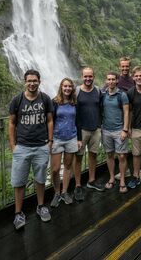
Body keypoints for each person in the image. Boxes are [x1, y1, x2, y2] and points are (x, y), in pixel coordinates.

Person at [8, 69, 53, 230]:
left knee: (40, 179)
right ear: (25, 82)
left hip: (41, 146)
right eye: (29, 81)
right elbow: (12, 123)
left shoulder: (45, 99)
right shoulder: (17, 100)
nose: (32, 83)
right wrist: (13, 146)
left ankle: (41, 206)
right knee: (19, 182)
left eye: (35, 80)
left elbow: (49, 121)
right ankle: (18, 213)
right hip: (22, 148)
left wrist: (50, 141)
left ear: (39, 81)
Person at [74, 67, 104, 201]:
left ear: (93, 77)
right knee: (78, 158)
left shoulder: (98, 91)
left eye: (90, 76)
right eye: (85, 76)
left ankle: (91, 181)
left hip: (95, 129)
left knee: (93, 155)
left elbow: (102, 107)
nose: (88, 79)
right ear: (82, 76)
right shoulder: (76, 91)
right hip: (81, 130)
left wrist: (101, 125)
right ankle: (78, 185)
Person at [50, 78, 82, 207]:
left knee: (68, 167)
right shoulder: (55, 102)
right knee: (55, 169)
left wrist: (79, 139)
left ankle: (64, 192)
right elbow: (50, 121)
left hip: (71, 138)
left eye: (69, 86)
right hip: (57, 139)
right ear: (61, 87)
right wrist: (50, 139)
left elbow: (78, 121)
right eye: (65, 86)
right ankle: (56, 193)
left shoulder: (75, 103)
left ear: (72, 88)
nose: (67, 88)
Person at [115, 56, 141, 182]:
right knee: (122, 147)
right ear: (119, 67)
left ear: (129, 67)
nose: (125, 68)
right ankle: (126, 170)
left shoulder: (134, 80)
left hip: (134, 117)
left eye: (127, 66)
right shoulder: (116, 80)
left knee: (136, 147)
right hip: (120, 118)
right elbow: (105, 92)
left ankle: (138, 171)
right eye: (122, 66)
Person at [101, 72, 129, 193]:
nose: (111, 81)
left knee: (121, 156)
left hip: (119, 130)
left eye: (113, 79)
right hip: (106, 130)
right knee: (109, 155)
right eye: (109, 79)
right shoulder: (103, 94)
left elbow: (127, 113)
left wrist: (125, 129)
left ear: (117, 80)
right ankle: (112, 178)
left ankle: (122, 180)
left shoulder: (122, 95)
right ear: (106, 81)